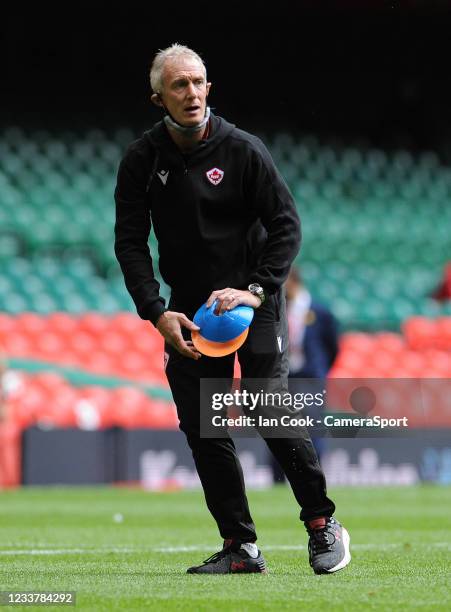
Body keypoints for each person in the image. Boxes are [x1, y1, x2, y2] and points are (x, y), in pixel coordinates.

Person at [114, 43, 350, 575]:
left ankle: (321, 523)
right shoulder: (141, 160)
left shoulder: (244, 150)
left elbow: (287, 225)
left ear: (208, 89)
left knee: (268, 404)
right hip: (191, 312)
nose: (192, 93)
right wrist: (156, 312)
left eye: (198, 82)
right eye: (179, 85)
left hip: (254, 302)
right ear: (158, 98)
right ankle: (240, 546)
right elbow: (130, 243)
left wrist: (259, 289)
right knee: (204, 425)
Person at [271, 267, 339, 482]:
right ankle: (278, 479)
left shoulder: (319, 311)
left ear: (292, 281)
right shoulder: (276, 310)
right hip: (282, 377)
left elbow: (332, 346)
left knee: (311, 425)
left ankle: (314, 479)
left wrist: (319, 370)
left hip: (309, 378)